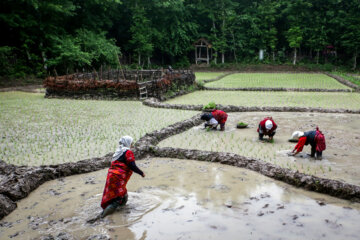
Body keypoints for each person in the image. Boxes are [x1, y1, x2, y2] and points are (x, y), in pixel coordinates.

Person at [100, 136, 145, 218]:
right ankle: (102, 217)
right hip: (118, 177)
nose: (132, 145)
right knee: (117, 200)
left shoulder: (118, 152)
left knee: (124, 195)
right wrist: (141, 173)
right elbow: (132, 165)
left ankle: (120, 209)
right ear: (128, 143)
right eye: (131, 143)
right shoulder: (128, 152)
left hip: (111, 176)